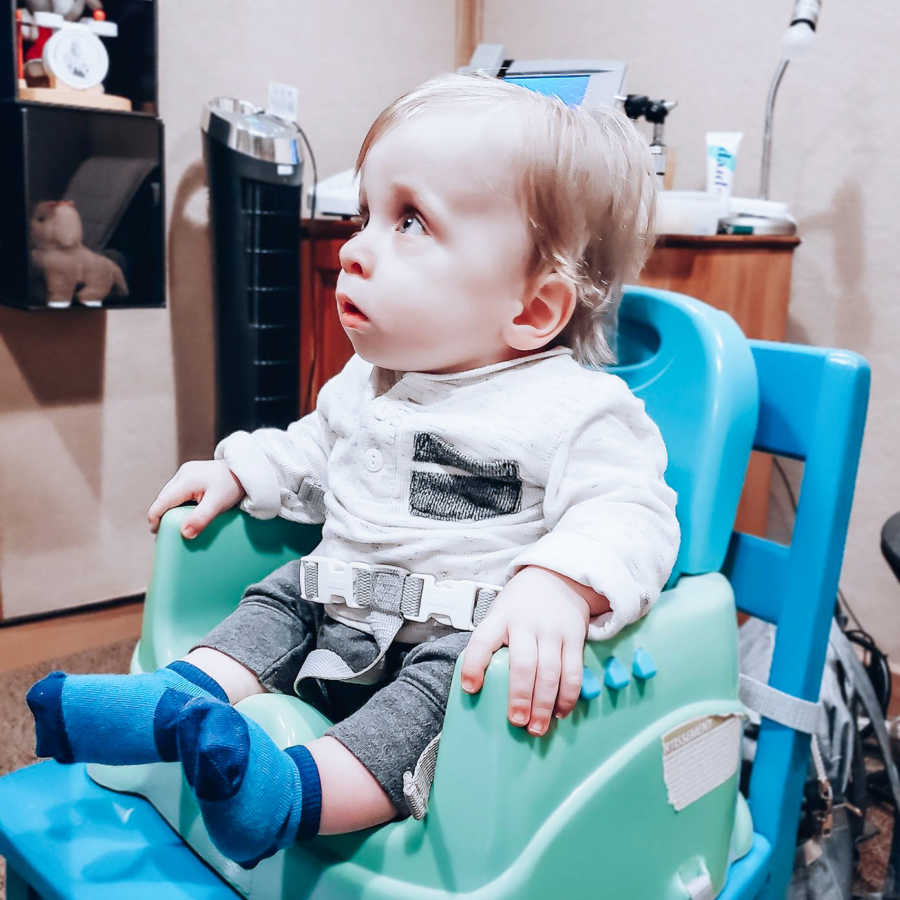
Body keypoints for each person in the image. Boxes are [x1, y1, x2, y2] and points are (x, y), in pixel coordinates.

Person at [26, 72, 680, 869]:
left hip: (452, 645)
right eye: (365, 214)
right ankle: (175, 698)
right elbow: (308, 454)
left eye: (409, 222)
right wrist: (240, 470)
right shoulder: (367, 386)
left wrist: (560, 583)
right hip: (338, 610)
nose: (354, 248)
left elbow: (632, 514)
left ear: (533, 309)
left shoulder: (575, 410)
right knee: (279, 592)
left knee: (442, 693)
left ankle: (288, 793)